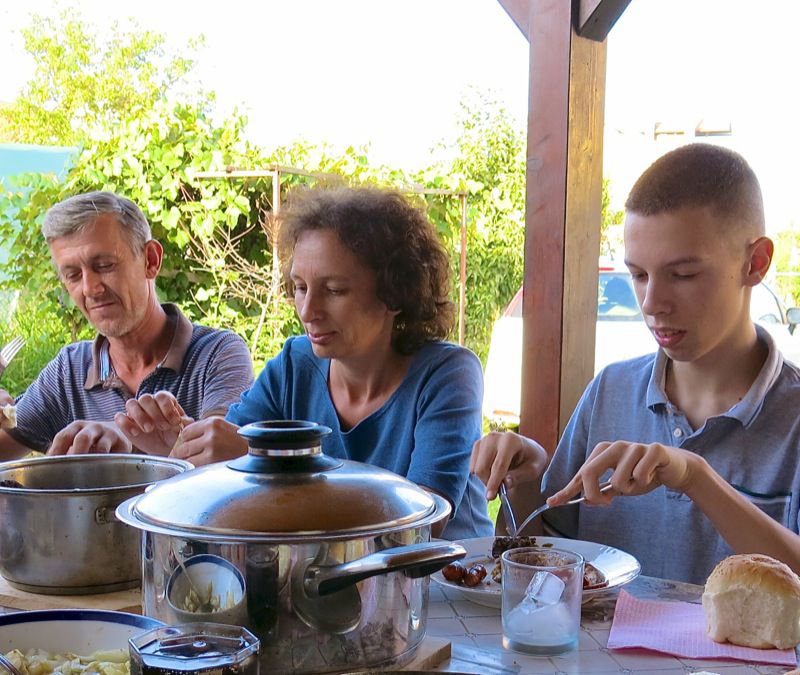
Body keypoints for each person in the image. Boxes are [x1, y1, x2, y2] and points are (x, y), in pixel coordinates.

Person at [471, 143, 800, 584]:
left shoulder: (792, 418)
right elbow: (545, 564)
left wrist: (694, 477)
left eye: (683, 275)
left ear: (755, 263)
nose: (652, 303)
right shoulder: (611, 390)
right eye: (639, 274)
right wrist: (526, 479)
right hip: (593, 654)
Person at [154, 185, 493, 540]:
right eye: (300, 287)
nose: (307, 311)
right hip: (333, 582)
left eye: (333, 290)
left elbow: (424, 519)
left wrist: (270, 464)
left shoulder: (448, 373)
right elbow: (228, 465)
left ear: (394, 294)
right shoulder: (292, 366)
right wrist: (180, 449)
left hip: (449, 584)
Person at [0, 191, 254, 460]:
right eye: (73, 275)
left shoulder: (217, 354)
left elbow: (219, 454)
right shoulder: (68, 371)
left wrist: (123, 436)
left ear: (151, 261)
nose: (90, 288)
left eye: (105, 265)